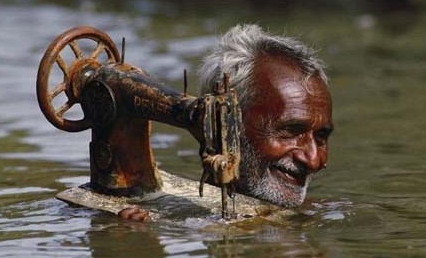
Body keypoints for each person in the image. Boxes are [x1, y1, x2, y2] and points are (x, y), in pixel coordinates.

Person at [119, 24, 333, 220]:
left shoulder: (323, 212)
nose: (314, 161)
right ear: (226, 123)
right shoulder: (151, 220)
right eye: (289, 131)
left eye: (321, 136)